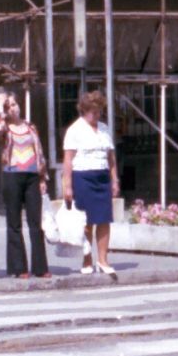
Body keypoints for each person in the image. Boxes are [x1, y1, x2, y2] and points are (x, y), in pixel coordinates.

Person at [61, 90, 120, 275]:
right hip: (83, 177)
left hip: (102, 176)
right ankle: (87, 260)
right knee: (86, 221)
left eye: (99, 111)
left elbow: (111, 157)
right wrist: (67, 186)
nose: (97, 115)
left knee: (104, 219)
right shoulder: (74, 130)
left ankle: (103, 260)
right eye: (93, 111)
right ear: (84, 110)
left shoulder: (104, 128)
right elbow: (68, 160)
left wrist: (114, 180)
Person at [0, 91, 50, 278]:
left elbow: (39, 152)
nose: (12, 108)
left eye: (14, 104)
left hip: (32, 176)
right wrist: (0, 103)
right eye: (8, 106)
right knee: (14, 222)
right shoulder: (5, 128)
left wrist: (42, 178)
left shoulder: (30, 127)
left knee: (35, 222)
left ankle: (40, 267)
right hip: (12, 175)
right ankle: (18, 268)